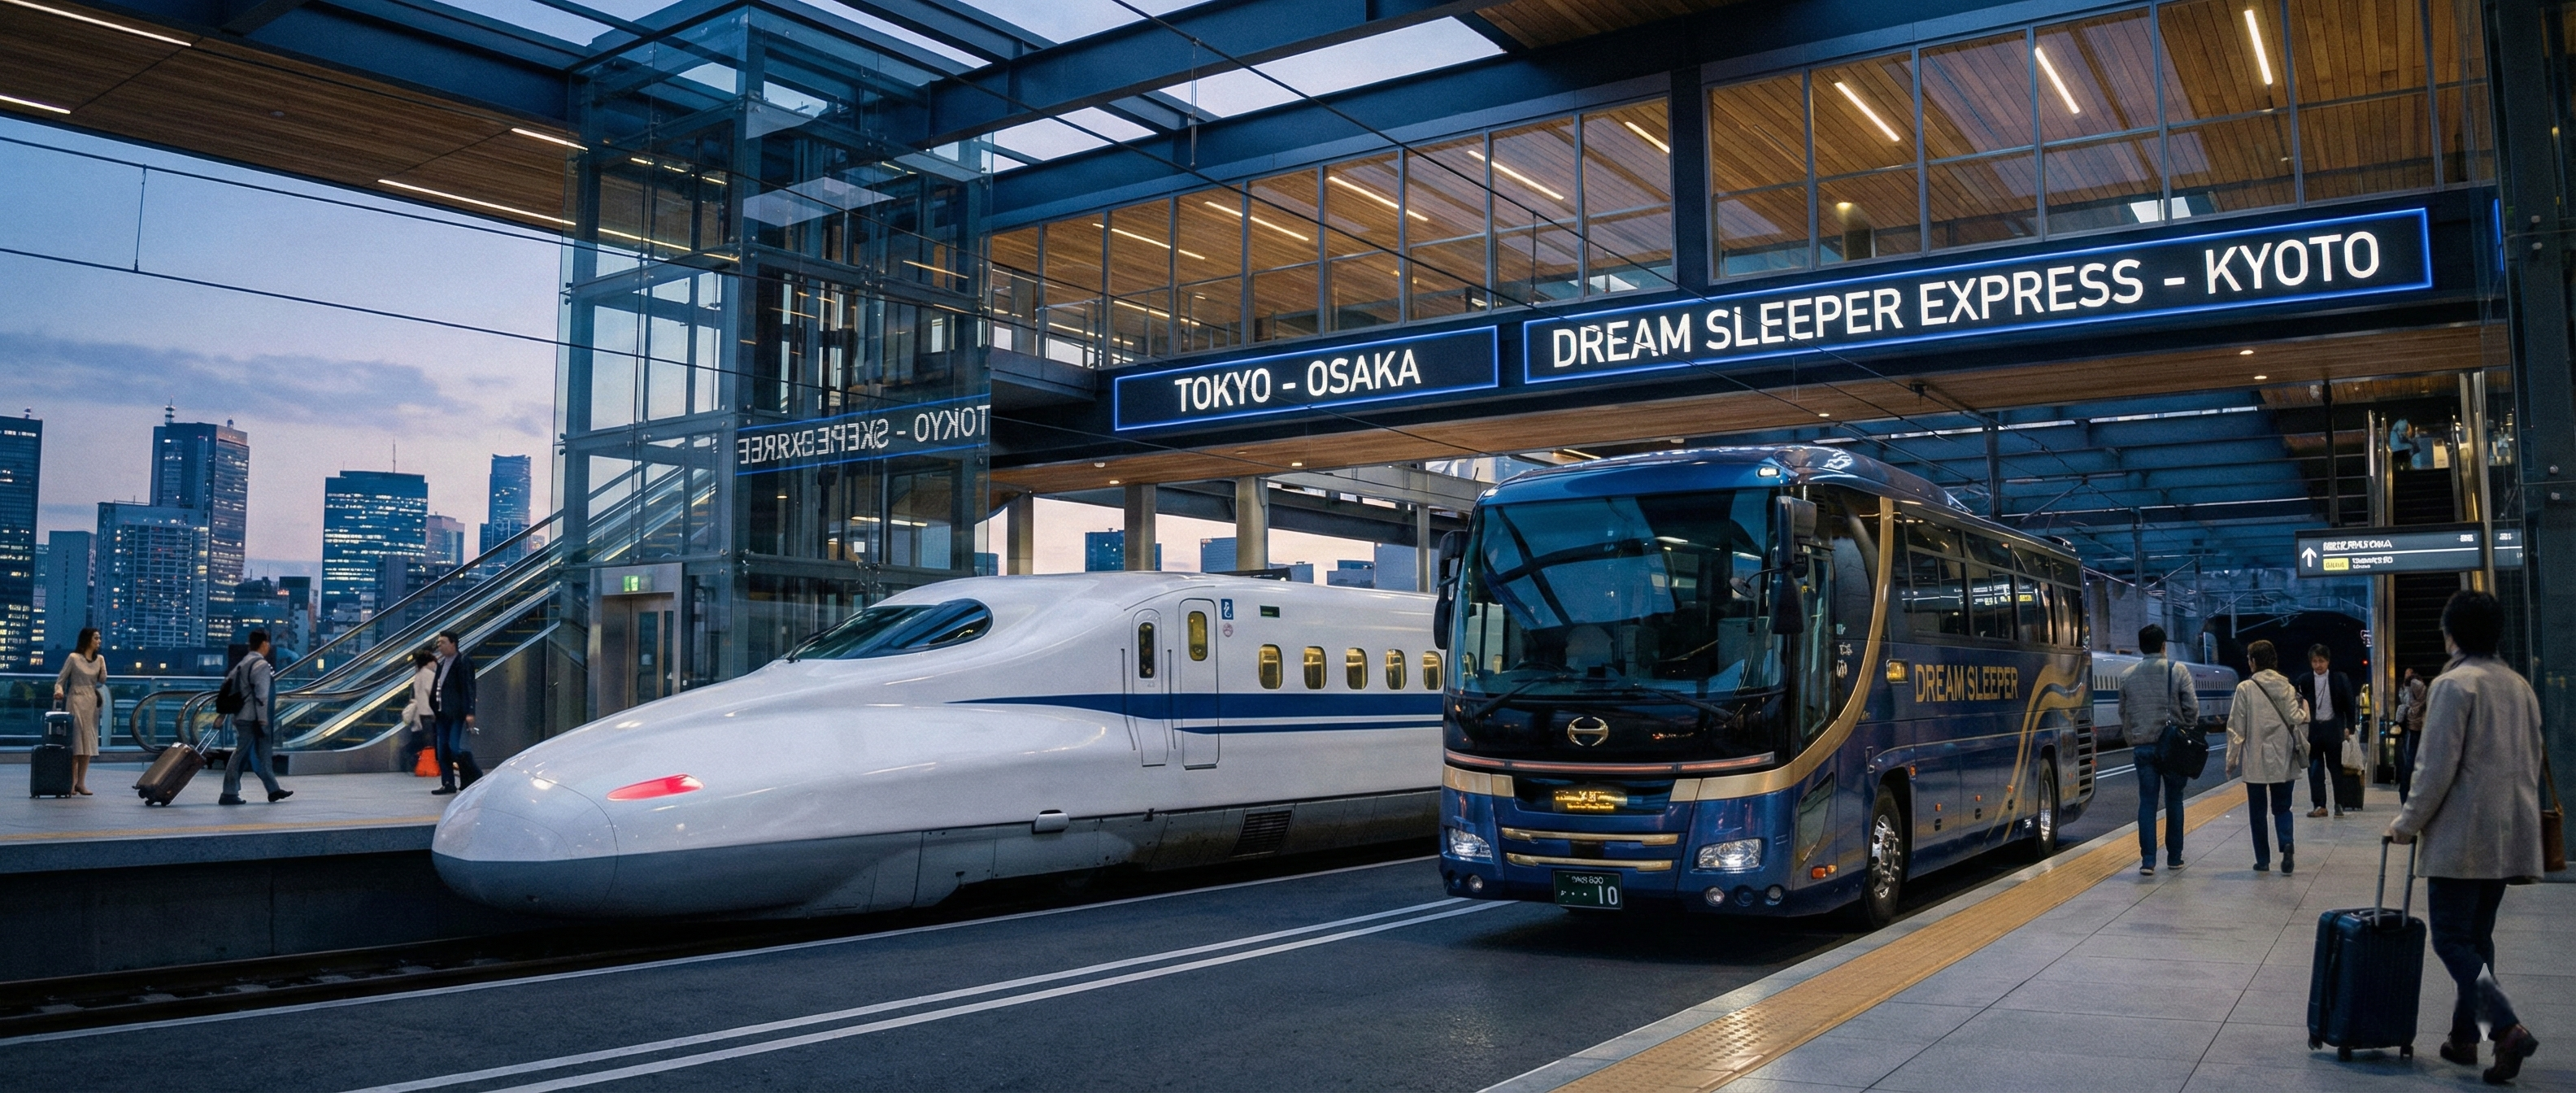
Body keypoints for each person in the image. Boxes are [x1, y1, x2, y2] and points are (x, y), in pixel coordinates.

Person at [2388, 590, 2544, 1083]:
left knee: (2452, 939)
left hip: (2464, 834)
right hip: (2508, 829)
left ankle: (2504, 1027)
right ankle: (2464, 1039)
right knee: (2477, 937)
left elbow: (2433, 769)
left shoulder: (2454, 685)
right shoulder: (2518, 684)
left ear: (2452, 633)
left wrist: (2405, 824)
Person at [2118, 624, 2198, 876]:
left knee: (2147, 803)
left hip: (2143, 748)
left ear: (2141, 647)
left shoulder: (2127, 675)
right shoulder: (2178, 670)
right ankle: (2174, 858)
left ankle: (2148, 861)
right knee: (2174, 800)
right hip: (2173, 748)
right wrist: (2184, 728)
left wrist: (2135, 737)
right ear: (2164, 646)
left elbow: (2125, 713)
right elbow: (2192, 708)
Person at [2226, 640, 2306, 873]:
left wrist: (2231, 760)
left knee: (2258, 812)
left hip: (2257, 760)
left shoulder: (2245, 689)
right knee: (2283, 807)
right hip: (2283, 756)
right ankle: (2287, 842)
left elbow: (2236, 728)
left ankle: (2263, 860)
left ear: (2253, 661)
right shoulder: (2287, 686)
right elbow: (2295, 717)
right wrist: (2303, 712)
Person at [217, 631, 292, 805]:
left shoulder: (243, 663)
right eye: (268, 644)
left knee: (264, 753)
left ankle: (273, 789)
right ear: (264, 644)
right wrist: (263, 720)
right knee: (241, 754)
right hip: (254, 718)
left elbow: (228, 687)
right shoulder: (261, 665)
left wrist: (223, 715)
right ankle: (229, 792)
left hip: (243, 716)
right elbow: (262, 695)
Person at [2292, 644, 2360, 817]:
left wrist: (2349, 727)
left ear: (2328, 661)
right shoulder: (2304, 680)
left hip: (2333, 728)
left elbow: (2349, 705)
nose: (2318, 665)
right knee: (2315, 770)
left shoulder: (2339, 679)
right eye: (2314, 661)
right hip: (2314, 730)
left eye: (2321, 661)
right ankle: (2319, 805)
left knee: (2336, 768)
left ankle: (2339, 804)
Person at [49, 627, 107, 796]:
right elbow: (61, 679)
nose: (99, 641)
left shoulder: (100, 659)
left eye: (99, 638)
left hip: (91, 701)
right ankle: (71, 782)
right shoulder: (74, 658)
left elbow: (102, 680)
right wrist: (59, 691)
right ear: (87, 639)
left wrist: (103, 666)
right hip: (76, 698)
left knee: (87, 742)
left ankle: (81, 783)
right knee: (76, 742)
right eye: (96, 638)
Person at [430, 630, 482, 795]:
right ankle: (448, 783)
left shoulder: (463, 662)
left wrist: (470, 712)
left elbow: (469, 688)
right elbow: (438, 689)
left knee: (455, 747)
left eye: (443, 642)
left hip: (457, 713)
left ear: (453, 643)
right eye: (438, 643)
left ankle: (473, 775)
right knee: (442, 749)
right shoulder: (441, 664)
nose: (439, 645)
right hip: (442, 714)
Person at [399, 649, 437, 775]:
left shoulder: (419, 673)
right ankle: (416, 761)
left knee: (419, 739)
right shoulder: (429, 675)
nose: (435, 665)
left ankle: (409, 758)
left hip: (419, 712)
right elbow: (432, 694)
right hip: (426, 712)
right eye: (434, 662)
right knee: (426, 741)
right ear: (428, 662)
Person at [2395, 666, 2430, 803]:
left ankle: (2406, 795)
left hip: (2414, 728)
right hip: (2420, 727)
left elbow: (2407, 704)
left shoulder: (2413, 686)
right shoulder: (2421, 691)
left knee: (2409, 763)